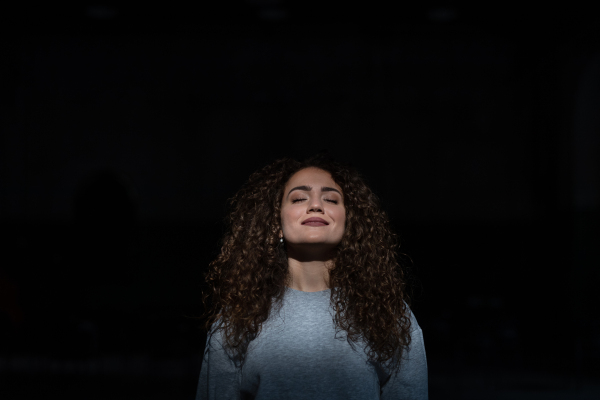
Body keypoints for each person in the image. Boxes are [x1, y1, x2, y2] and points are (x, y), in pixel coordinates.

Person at [196, 155, 428, 400]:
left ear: (350, 224)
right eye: (299, 198)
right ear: (275, 223)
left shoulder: (388, 314)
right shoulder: (238, 317)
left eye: (331, 199)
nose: (316, 205)